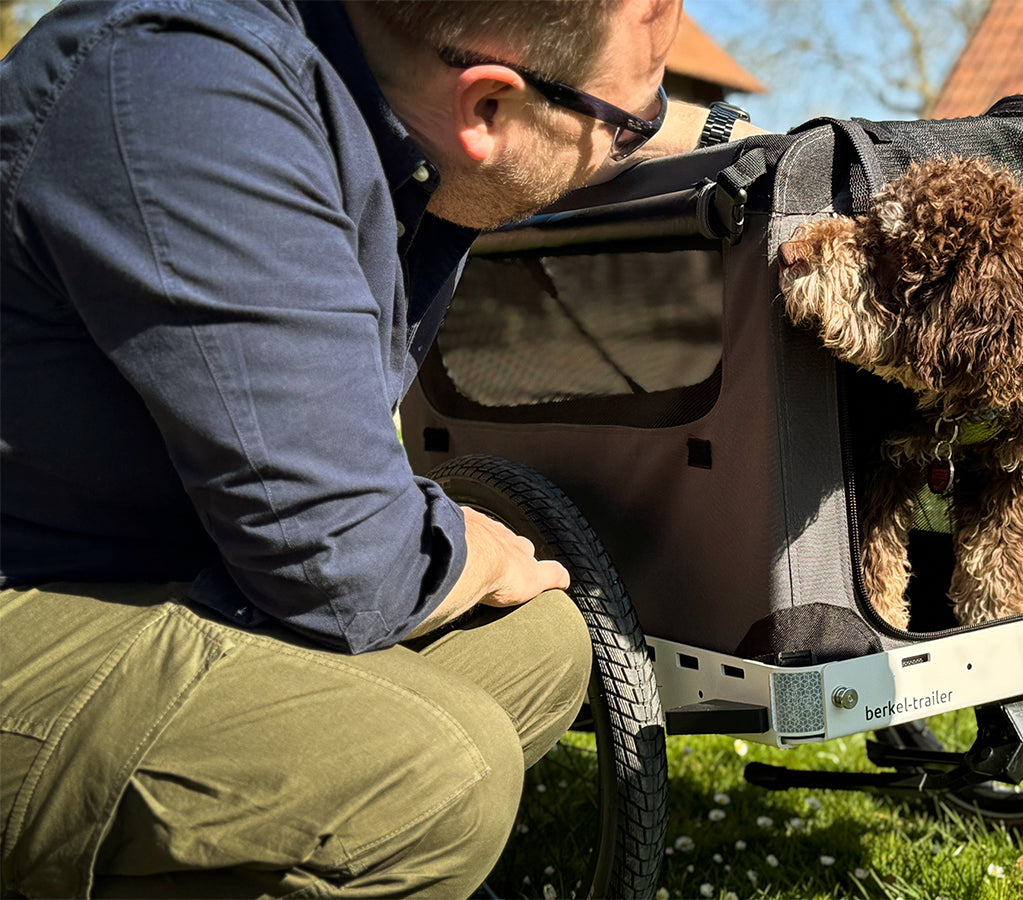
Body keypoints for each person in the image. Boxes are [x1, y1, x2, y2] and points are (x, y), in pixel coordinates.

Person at [0, 1, 757, 895]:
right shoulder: (192, 101)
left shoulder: (381, 101)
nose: (636, 141)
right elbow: (342, 560)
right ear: (485, 110)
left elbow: (334, 519)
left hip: (153, 560)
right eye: (628, 127)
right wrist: (465, 547)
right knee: (431, 773)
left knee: (541, 640)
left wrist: (730, 134)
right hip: (33, 587)